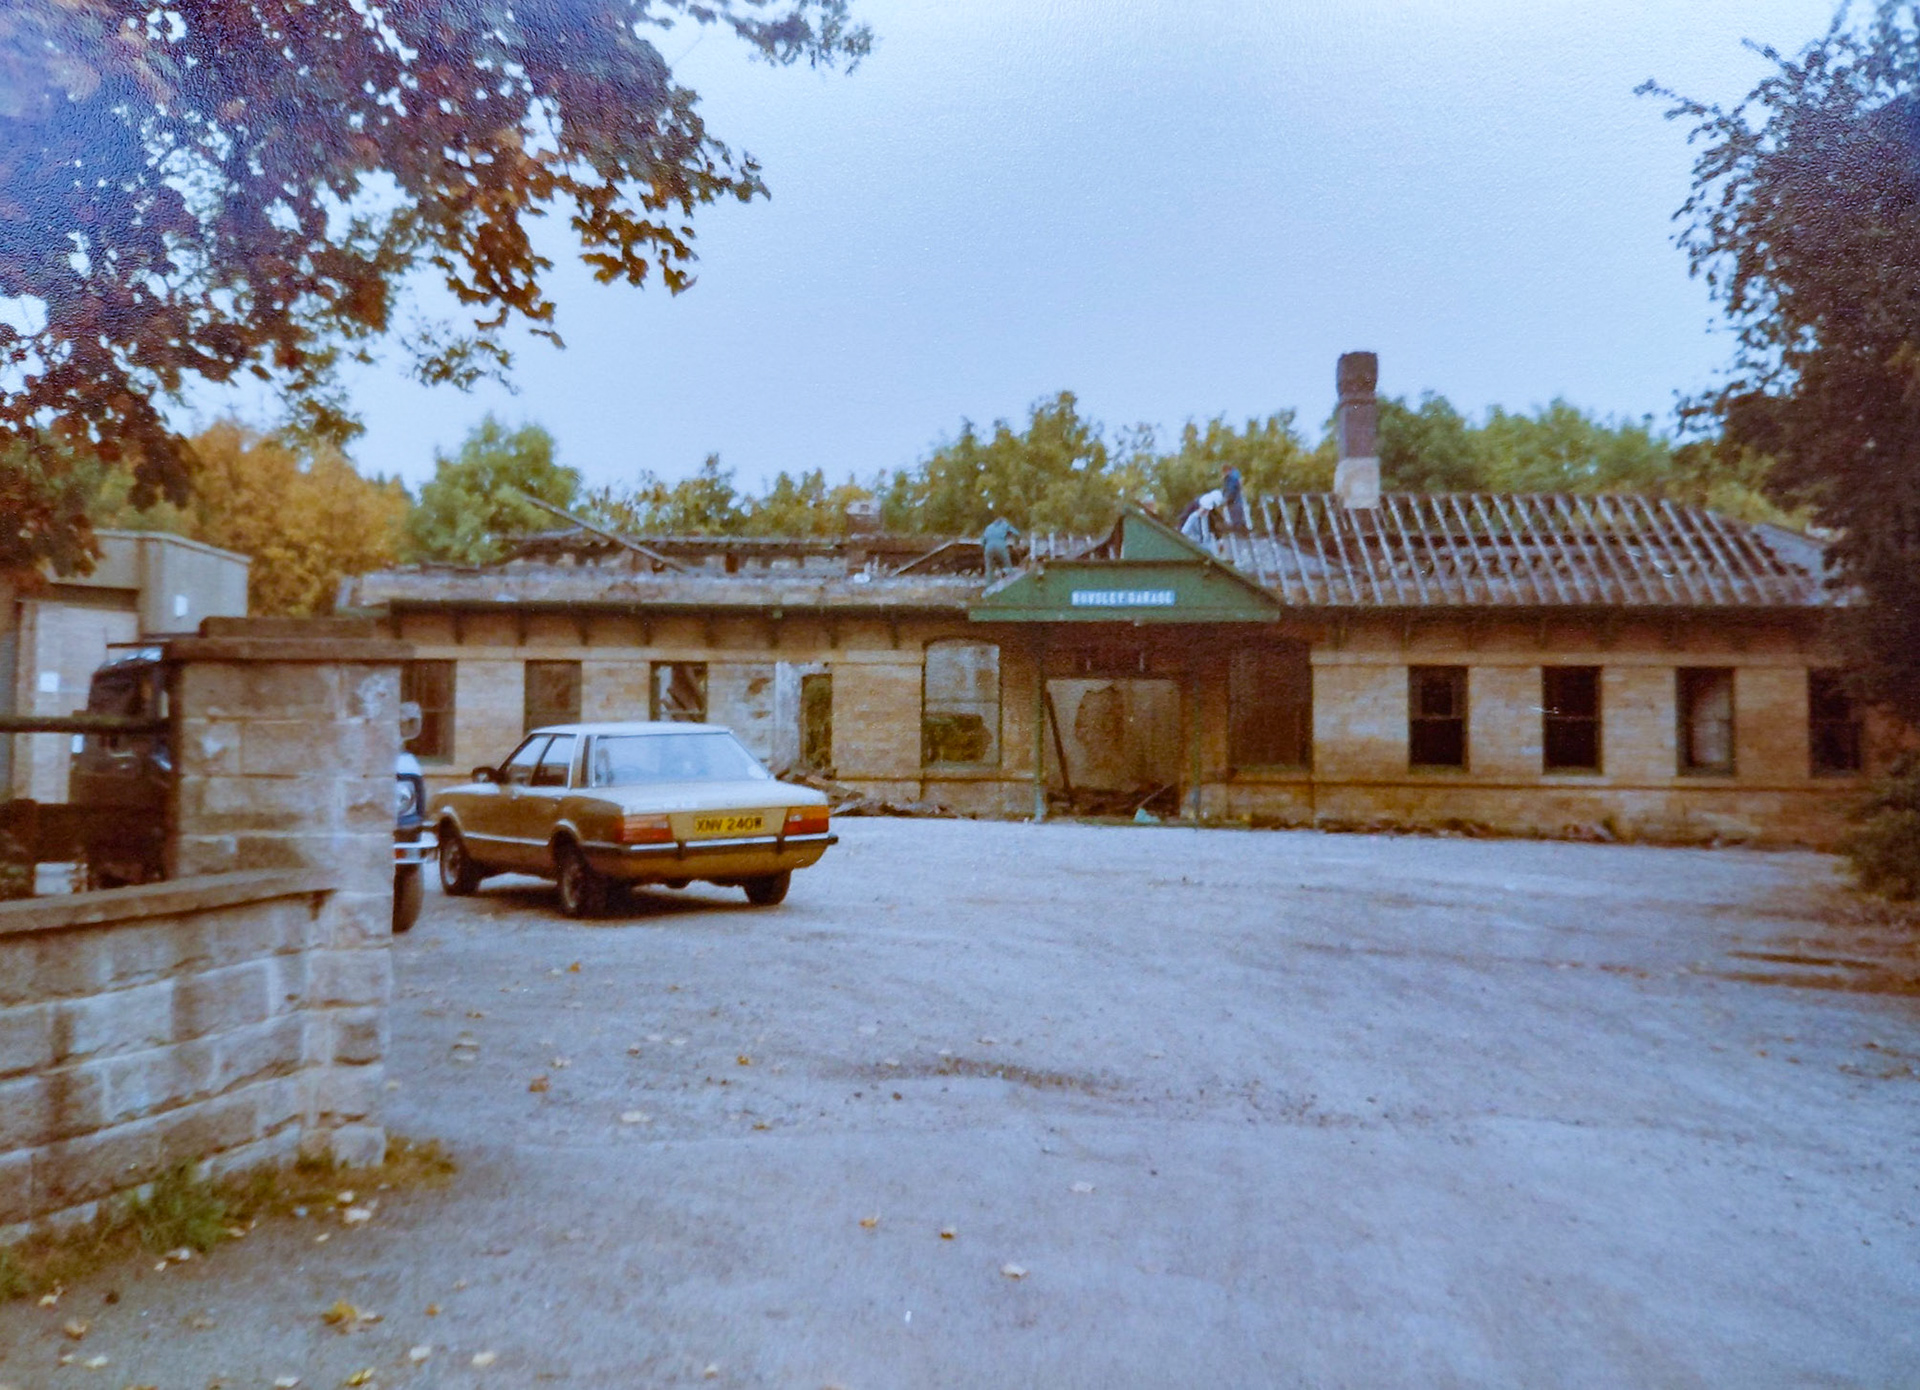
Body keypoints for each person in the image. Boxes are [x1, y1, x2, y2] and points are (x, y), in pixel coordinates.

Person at [1220, 463, 1249, 535]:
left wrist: (1226, 499)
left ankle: (1238, 529)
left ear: (1227, 470)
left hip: (1233, 499)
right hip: (1238, 498)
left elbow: (1231, 489)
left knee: (1235, 514)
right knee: (1239, 513)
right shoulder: (1236, 474)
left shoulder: (1231, 477)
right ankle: (1242, 528)